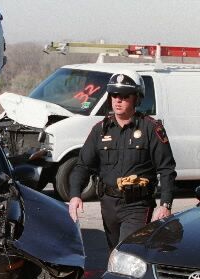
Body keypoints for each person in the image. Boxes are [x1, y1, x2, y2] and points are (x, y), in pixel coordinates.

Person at [68, 70, 176, 251]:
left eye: (124, 96)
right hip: (108, 203)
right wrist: (75, 194)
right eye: (114, 95)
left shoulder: (151, 128)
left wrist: (165, 205)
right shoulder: (100, 130)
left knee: (127, 250)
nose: (118, 100)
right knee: (114, 253)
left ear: (136, 98)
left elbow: (166, 169)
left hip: (137, 205)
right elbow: (82, 165)